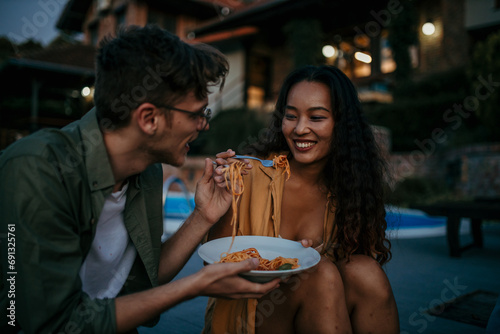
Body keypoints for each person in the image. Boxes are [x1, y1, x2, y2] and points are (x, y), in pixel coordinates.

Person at [0, 25, 280, 334]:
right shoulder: (38, 171)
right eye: (198, 114)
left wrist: (202, 215)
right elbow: (56, 324)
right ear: (149, 119)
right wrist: (194, 286)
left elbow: (148, 276)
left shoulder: (146, 169)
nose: (204, 126)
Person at [206, 65, 400, 333]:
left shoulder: (348, 189)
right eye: (291, 116)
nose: (300, 129)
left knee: (366, 271)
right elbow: (211, 268)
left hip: (318, 314)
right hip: (248, 316)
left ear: (342, 125)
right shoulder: (249, 175)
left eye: (316, 117)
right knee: (319, 273)